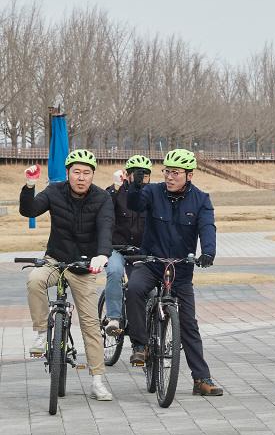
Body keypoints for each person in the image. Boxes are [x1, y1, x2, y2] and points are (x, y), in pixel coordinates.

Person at [126, 148, 223, 396]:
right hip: (151, 262)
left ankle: (201, 379)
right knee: (135, 288)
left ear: (189, 175)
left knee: (189, 323)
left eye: (176, 172)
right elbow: (135, 205)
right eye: (167, 171)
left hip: (181, 268)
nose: (170, 176)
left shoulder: (201, 199)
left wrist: (208, 253)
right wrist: (136, 187)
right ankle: (140, 345)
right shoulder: (152, 191)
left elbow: (207, 227)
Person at [19, 149, 114, 401]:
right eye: (76, 172)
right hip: (55, 260)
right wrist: (29, 185)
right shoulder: (54, 191)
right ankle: (41, 332)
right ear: (68, 173)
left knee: (91, 324)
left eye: (86, 173)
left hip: (85, 266)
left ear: (92, 175)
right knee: (34, 279)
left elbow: (106, 228)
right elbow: (29, 211)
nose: (81, 177)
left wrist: (102, 255)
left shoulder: (103, 198)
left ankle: (97, 380)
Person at [103, 155, 152, 335]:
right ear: (128, 175)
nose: (141, 179)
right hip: (117, 248)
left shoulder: (152, 194)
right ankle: (114, 318)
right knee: (115, 271)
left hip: (140, 250)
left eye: (145, 175)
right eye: (138, 175)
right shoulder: (116, 191)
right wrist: (116, 187)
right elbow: (104, 207)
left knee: (139, 285)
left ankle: (143, 322)